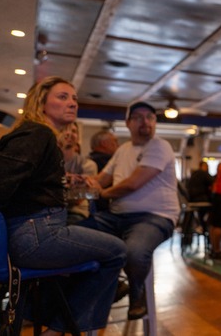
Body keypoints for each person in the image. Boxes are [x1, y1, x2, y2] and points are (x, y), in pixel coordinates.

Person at [0, 76, 126, 335]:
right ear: (41, 103)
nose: (72, 103)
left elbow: (17, 183)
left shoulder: (36, 134)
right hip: (38, 234)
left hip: (30, 232)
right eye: (62, 97)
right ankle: (59, 327)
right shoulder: (37, 133)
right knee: (118, 250)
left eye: (74, 98)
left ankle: (48, 315)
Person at [82, 101, 180, 320]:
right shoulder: (122, 150)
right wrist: (85, 182)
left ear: (155, 122)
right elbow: (101, 179)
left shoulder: (159, 146)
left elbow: (132, 184)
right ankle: (114, 283)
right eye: (138, 117)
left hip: (155, 217)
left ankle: (138, 293)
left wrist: (101, 193)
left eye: (150, 117)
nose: (145, 122)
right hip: (116, 216)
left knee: (135, 251)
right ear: (127, 123)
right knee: (76, 233)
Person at [59, 121, 99, 224]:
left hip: (75, 213)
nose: (69, 134)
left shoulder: (88, 165)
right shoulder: (49, 161)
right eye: (64, 130)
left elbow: (80, 197)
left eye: (74, 131)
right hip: (49, 213)